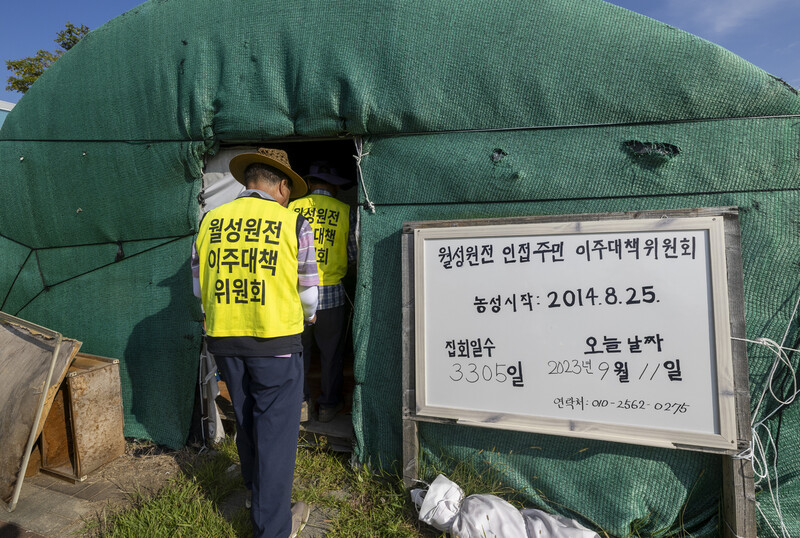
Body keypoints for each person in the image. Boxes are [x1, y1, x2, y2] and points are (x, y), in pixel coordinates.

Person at [192, 147, 317, 538]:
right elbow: (310, 296)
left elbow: (198, 289)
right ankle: (273, 529)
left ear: (248, 182)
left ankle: (253, 494)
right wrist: (305, 315)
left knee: (246, 419)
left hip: (225, 340)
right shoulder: (293, 222)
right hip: (275, 342)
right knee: (276, 435)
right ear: (281, 186)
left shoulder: (211, 221)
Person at [288, 161, 357, 423]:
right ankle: (328, 406)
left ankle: (302, 404)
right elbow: (352, 254)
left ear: (311, 184)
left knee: (298, 351)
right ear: (335, 187)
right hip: (332, 294)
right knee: (331, 353)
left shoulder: (292, 208)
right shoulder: (344, 210)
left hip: (295, 293)